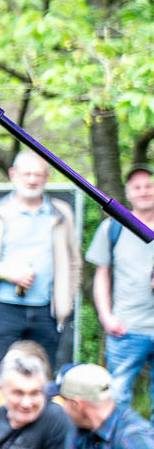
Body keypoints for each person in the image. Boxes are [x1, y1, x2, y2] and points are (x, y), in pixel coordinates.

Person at [0, 152, 78, 375]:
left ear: (47, 177)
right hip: (3, 308)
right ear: (13, 175)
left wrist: (67, 300)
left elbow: (75, 263)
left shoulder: (61, 213)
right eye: (27, 174)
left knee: (43, 376)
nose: (32, 180)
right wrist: (7, 272)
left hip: (48, 311)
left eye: (38, 174)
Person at [87, 164, 154, 404]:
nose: (144, 191)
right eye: (137, 187)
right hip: (127, 328)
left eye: (149, 186)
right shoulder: (113, 228)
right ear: (128, 192)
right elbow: (101, 275)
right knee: (115, 397)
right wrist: (106, 316)